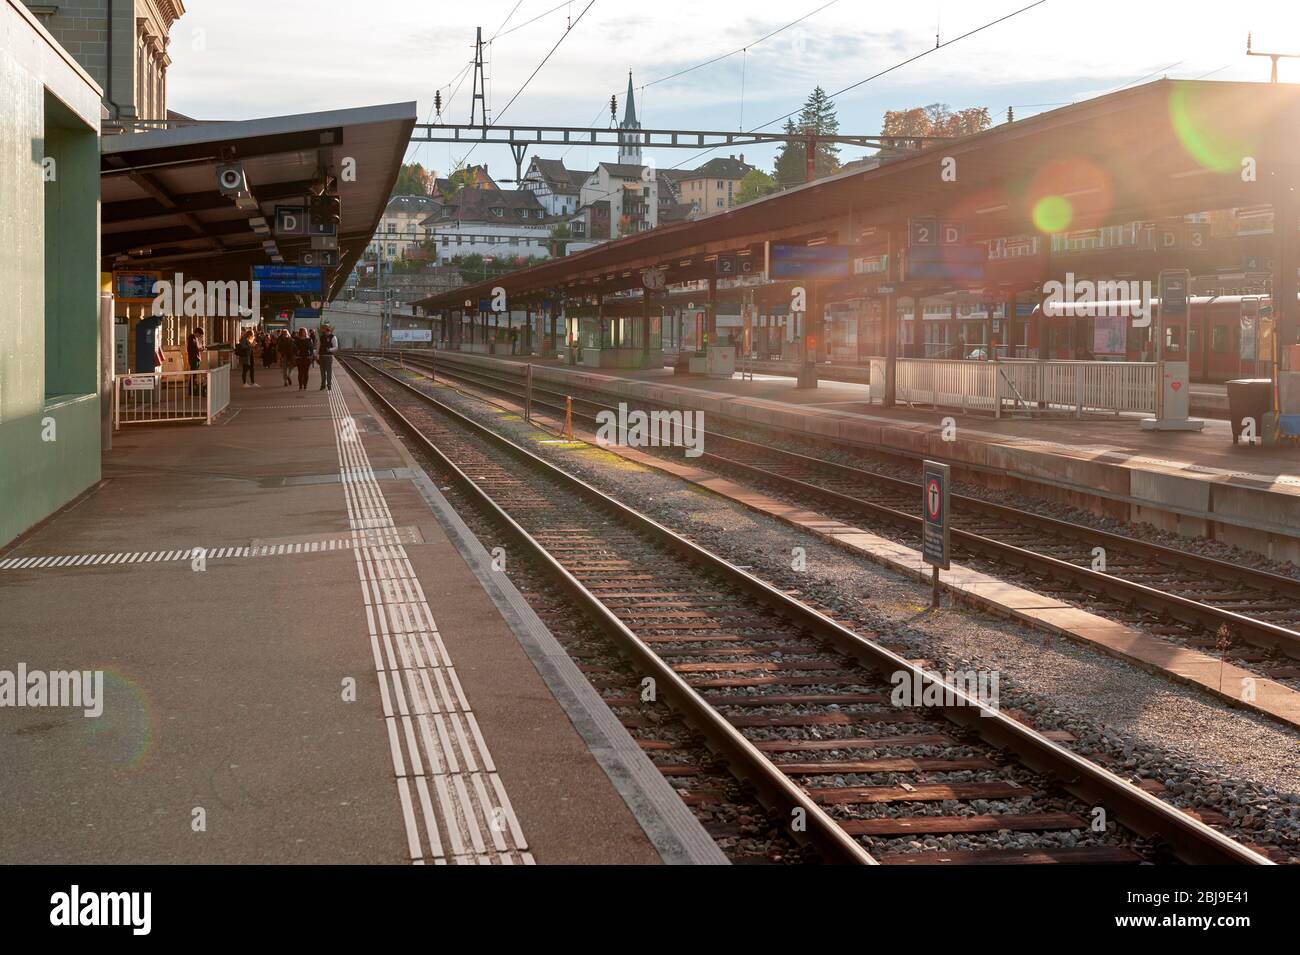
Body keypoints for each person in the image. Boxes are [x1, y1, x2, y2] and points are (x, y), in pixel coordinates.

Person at [317, 324, 337, 391]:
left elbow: (336, 347)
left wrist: (330, 350)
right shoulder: (321, 337)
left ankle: (329, 385)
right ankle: (323, 385)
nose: (322, 330)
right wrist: (317, 355)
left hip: (328, 356)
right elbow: (318, 346)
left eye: (323, 328)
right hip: (321, 356)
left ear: (326, 329)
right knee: (322, 371)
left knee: (329, 371)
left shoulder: (333, 337)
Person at [185, 327, 205, 394]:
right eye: (199, 335)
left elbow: (196, 348)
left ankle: (193, 389)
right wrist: (200, 349)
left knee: (194, 375)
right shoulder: (191, 338)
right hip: (193, 359)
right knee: (193, 374)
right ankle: (191, 390)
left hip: (196, 358)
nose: (199, 336)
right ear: (197, 333)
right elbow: (193, 349)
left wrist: (200, 348)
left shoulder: (194, 338)